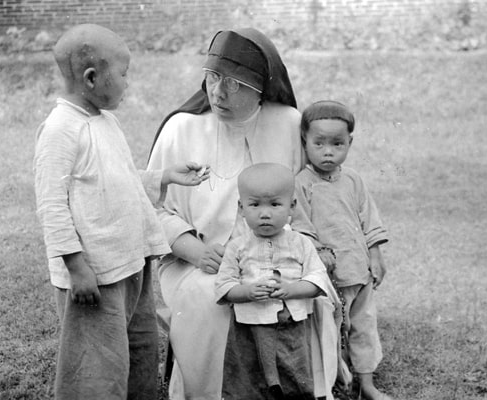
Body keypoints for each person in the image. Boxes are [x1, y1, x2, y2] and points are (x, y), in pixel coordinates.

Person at [148, 28, 339, 399]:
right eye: (213, 77)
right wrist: (196, 251)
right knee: (211, 303)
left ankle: (299, 389)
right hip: (200, 260)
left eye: (234, 84)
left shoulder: (287, 123)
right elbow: (152, 209)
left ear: (261, 89)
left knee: (310, 294)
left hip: (282, 252)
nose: (218, 93)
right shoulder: (181, 128)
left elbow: (307, 197)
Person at [33, 24, 209, 400]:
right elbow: (51, 206)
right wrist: (77, 267)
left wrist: (164, 175)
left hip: (130, 263)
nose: (128, 84)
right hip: (96, 276)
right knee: (97, 366)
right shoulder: (60, 130)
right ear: (92, 78)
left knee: (137, 352)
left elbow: (118, 180)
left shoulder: (105, 121)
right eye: (124, 74)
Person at [291, 100, 391, 400]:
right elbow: (301, 225)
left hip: (358, 271)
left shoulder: (353, 180)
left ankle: (367, 382)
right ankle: (334, 376)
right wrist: (318, 250)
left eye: (337, 144)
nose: (328, 152)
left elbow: (369, 219)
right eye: (318, 143)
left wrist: (375, 254)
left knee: (364, 326)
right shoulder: (301, 183)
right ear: (304, 141)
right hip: (328, 277)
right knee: (331, 329)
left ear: (350, 142)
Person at [215, 163, 336, 400]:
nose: (265, 213)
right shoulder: (238, 247)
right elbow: (224, 285)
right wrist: (246, 292)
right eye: (254, 204)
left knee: (294, 375)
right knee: (248, 377)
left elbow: (317, 279)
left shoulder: (300, 243)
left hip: (291, 325)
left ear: (292, 206)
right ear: (241, 208)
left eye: (274, 204)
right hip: (249, 326)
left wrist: (292, 289)